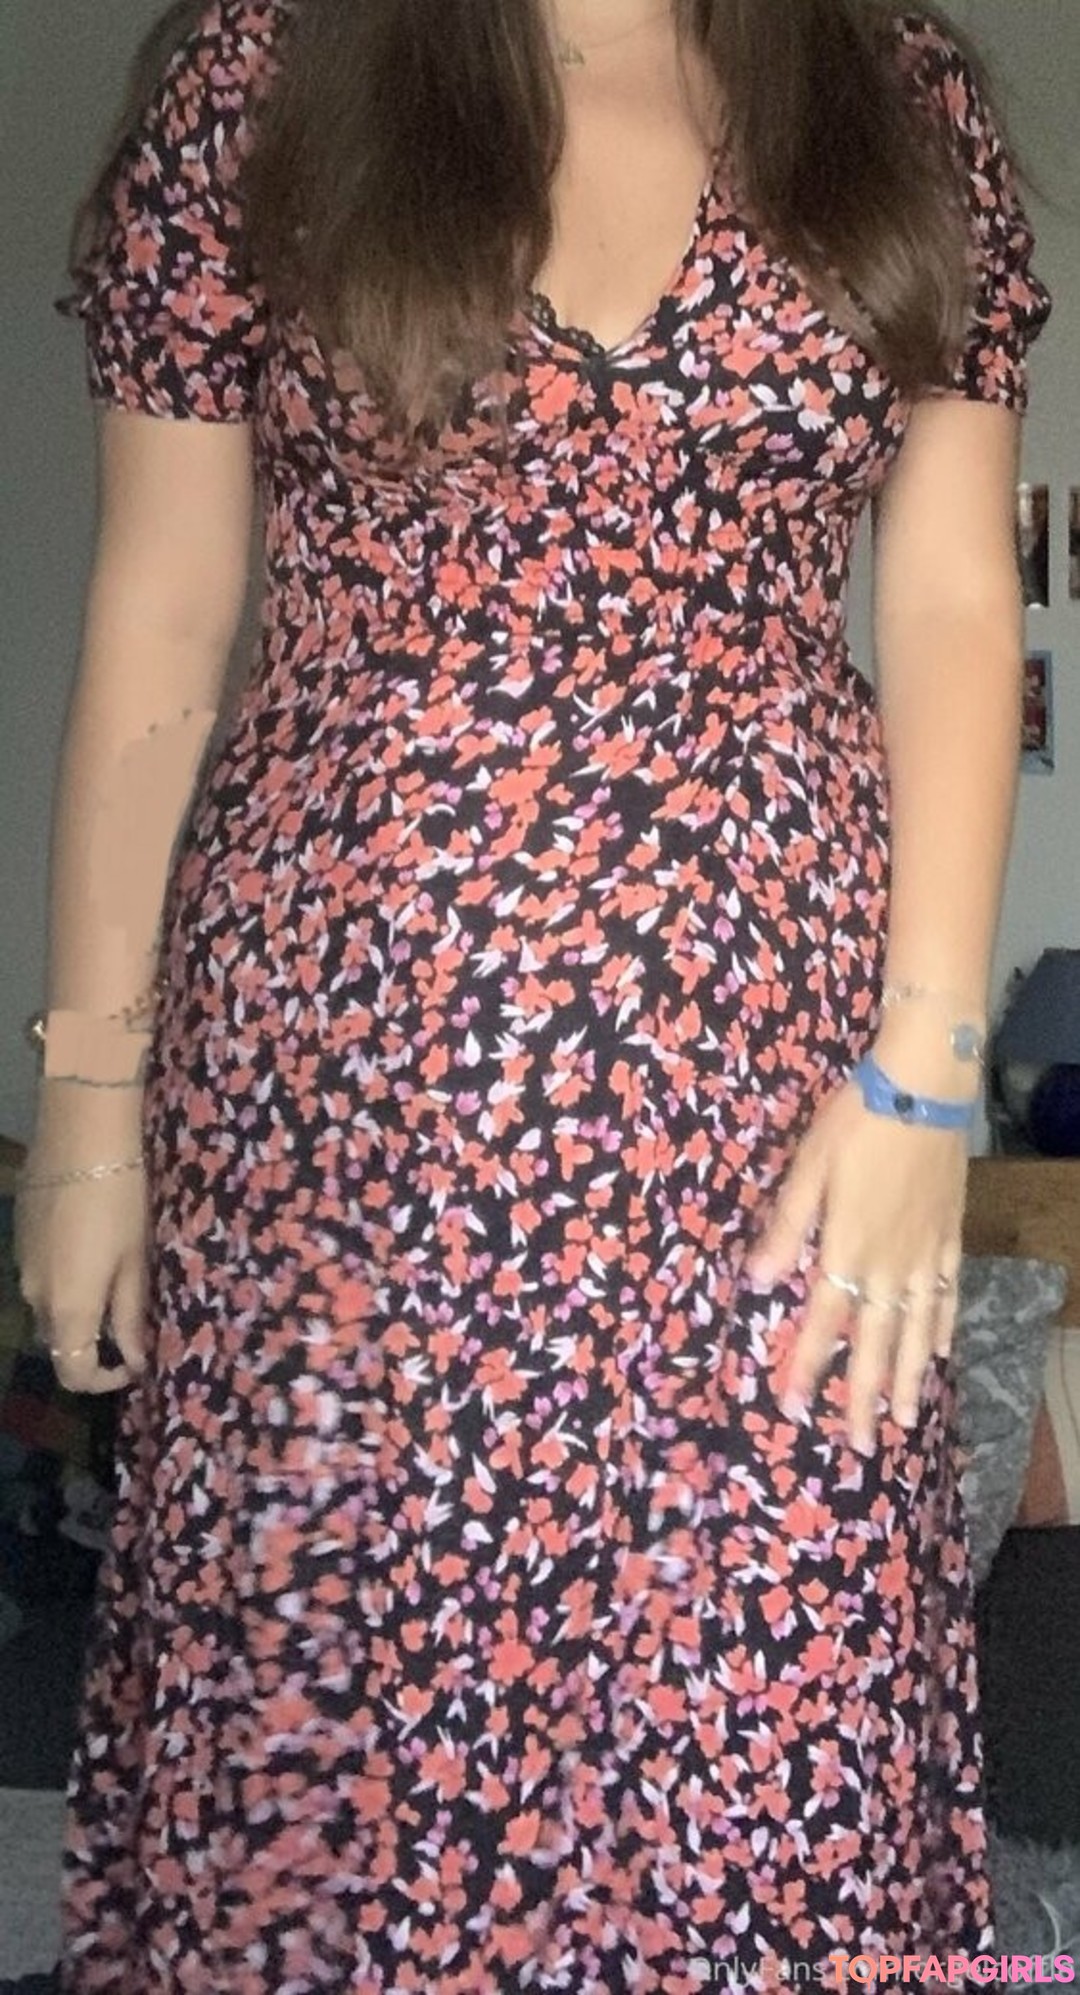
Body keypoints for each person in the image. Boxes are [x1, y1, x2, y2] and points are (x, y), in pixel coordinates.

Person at [16, 0, 1051, 1988]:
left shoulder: (896, 86)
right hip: (340, 1127)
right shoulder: (270, 67)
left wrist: (928, 1069)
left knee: (774, 1752)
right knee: (331, 1777)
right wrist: (85, 1099)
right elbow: (160, 601)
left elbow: (946, 597)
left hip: (781, 1125)